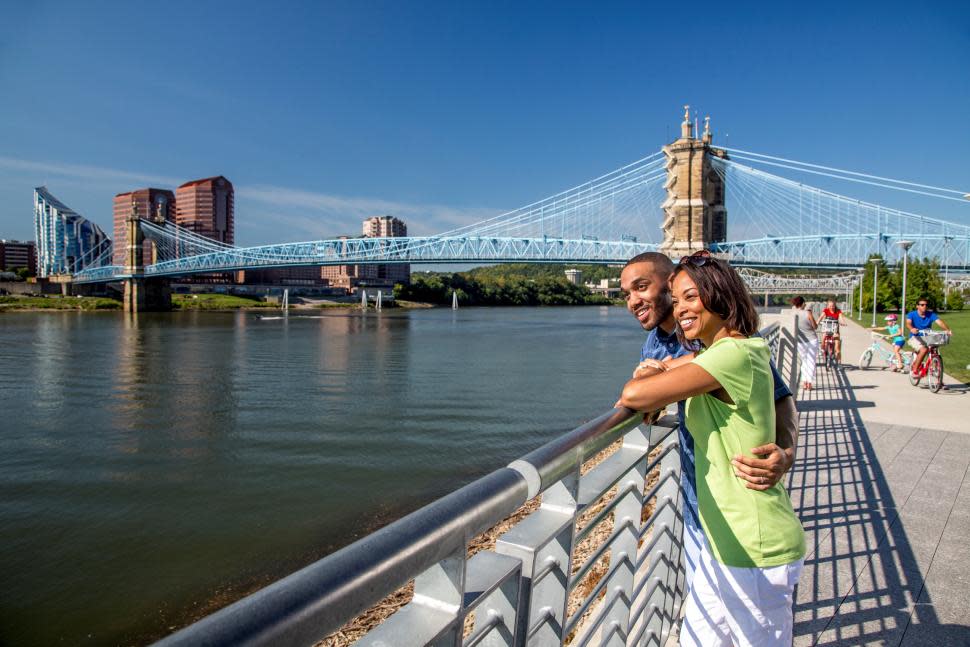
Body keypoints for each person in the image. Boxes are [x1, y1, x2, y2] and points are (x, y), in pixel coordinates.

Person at [619, 250, 805, 647]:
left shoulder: (734, 349)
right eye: (625, 293)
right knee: (703, 633)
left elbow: (780, 396)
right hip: (702, 498)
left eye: (642, 287)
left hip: (747, 523)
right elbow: (653, 403)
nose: (633, 300)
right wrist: (663, 370)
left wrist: (786, 452)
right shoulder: (666, 344)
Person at [906, 298, 953, 375]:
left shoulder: (931, 314)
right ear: (917, 306)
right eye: (922, 305)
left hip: (928, 337)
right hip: (915, 337)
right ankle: (915, 369)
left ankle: (938, 378)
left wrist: (947, 330)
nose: (924, 306)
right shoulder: (912, 314)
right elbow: (908, 323)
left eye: (926, 305)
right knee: (924, 350)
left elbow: (940, 323)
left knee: (934, 350)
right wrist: (912, 329)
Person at [792, 297, 818, 390]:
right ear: (803, 303)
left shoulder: (793, 314)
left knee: (804, 361)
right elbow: (815, 326)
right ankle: (809, 383)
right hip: (812, 340)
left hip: (800, 341)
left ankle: (804, 382)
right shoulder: (808, 313)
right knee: (811, 361)